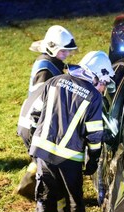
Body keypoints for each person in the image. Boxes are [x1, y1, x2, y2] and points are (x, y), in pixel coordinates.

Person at [29, 51, 114, 212]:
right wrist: (93, 158)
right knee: (74, 198)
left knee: (45, 194)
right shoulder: (93, 96)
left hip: (43, 151)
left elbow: (35, 113)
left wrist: (37, 138)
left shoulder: (54, 81)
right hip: (70, 156)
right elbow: (94, 134)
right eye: (103, 82)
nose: (103, 88)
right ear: (95, 75)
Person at [15, 25, 77, 199]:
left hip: (35, 124)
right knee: (48, 168)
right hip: (35, 124)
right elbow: (41, 102)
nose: (67, 54)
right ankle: (44, 201)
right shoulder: (45, 69)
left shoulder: (51, 63)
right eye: (63, 51)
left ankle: (28, 186)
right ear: (51, 47)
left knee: (41, 161)